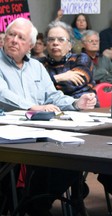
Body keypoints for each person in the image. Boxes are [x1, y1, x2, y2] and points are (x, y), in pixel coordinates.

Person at [0, 17, 96, 216]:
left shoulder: (36, 67)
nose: (14, 40)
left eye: (21, 37)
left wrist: (75, 104)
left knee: (70, 158)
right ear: (4, 38)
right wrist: (34, 106)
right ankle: (24, 202)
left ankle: (36, 202)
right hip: (8, 136)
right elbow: (2, 94)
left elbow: (52, 95)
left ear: (31, 45)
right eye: (11, 35)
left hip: (39, 132)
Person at [41, 21, 98, 103]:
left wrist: (48, 85)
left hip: (85, 106)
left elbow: (73, 84)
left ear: (70, 45)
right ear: (46, 44)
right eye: (51, 39)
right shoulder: (40, 64)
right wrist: (59, 77)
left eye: (61, 39)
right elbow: (33, 87)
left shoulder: (81, 58)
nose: (55, 43)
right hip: (53, 109)